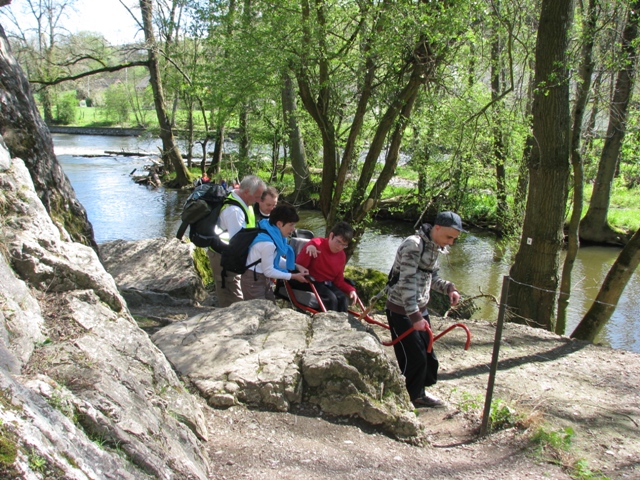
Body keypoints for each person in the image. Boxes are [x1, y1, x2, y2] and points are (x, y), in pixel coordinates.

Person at [385, 211, 465, 409]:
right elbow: (406, 282)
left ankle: (419, 392)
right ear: (437, 228)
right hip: (402, 310)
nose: (451, 242)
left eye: (454, 239)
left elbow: (431, 277)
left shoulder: (434, 246)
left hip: (418, 309)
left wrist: (449, 288)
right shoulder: (413, 245)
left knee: (428, 356)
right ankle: (410, 397)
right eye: (449, 237)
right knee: (415, 356)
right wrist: (414, 317)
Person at [207, 175, 266, 307]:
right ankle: (228, 321)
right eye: (257, 196)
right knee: (231, 294)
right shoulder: (234, 211)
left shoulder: (243, 201)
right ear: (246, 192)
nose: (258, 200)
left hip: (231, 254)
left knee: (236, 289)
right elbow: (238, 242)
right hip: (223, 256)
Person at [241, 204, 309, 301]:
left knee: (270, 308)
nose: (293, 229)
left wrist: (296, 266)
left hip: (261, 277)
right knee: (260, 312)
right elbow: (268, 271)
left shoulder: (271, 233)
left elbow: (273, 258)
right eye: (291, 225)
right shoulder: (268, 243)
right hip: (253, 281)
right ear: (279, 224)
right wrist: (293, 276)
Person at [294, 221, 358, 312]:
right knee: (330, 299)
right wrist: (307, 252)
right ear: (331, 235)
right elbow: (298, 266)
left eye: (344, 245)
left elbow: (338, 280)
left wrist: (351, 290)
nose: (340, 247)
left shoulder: (342, 255)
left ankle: (341, 324)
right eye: (338, 242)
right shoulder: (315, 244)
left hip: (327, 283)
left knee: (343, 299)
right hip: (309, 281)